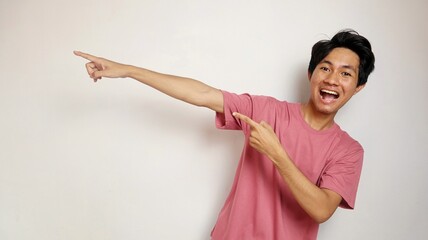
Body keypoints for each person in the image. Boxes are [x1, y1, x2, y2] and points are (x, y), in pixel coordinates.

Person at [74, 29, 375, 240]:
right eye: (325, 68)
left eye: (346, 73)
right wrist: (129, 70)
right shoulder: (266, 111)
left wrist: (276, 153)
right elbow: (203, 93)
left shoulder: (349, 151)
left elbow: (322, 209)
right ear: (311, 74)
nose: (332, 79)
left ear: (358, 86)